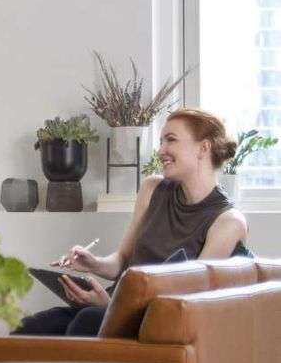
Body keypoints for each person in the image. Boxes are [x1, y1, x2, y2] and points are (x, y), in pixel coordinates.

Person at [16, 108, 249, 337]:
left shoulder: (227, 221)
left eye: (171, 140)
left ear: (203, 148)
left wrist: (112, 308)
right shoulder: (152, 189)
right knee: (29, 328)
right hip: (112, 305)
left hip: (151, 321)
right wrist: (93, 264)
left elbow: (191, 302)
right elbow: (122, 261)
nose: (161, 151)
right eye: (161, 141)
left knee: (87, 321)